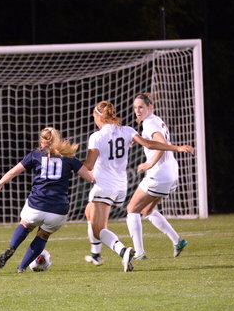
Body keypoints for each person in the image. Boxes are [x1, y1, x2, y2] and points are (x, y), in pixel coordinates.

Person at [83, 100, 194, 271]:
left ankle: (125, 251)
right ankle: (95, 254)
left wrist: (71, 163)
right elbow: (149, 144)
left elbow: (89, 165)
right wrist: (176, 148)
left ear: (98, 117)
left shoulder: (96, 137)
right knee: (89, 213)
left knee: (99, 229)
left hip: (104, 185)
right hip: (121, 187)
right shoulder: (128, 131)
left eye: (94, 117)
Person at [0, 127, 95, 273]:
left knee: (25, 225)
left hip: (36, 206)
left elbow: (13, 172)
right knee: (43, 235)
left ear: (41, 141)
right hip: (58, 211)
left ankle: (11, 248)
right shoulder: (69, 158)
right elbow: (90, 177)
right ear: (59, 140)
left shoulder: (35, 155)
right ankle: (22, 268)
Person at [125, 92, 190, 260]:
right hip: (171, 173)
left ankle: (139, 253)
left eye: (141, 107)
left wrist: (150, 164)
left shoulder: (149, 123)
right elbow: (155, 141)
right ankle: (177, 241)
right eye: (135, 108)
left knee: (132, 209)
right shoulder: (155, 120)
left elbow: (161, 143)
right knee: (147, 210)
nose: (137, 111)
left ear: (150, 107)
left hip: (159, 173)